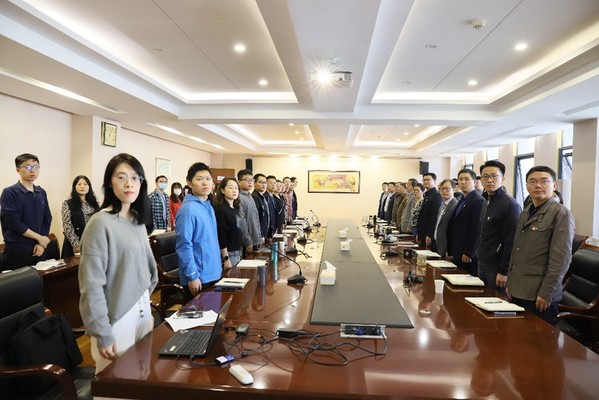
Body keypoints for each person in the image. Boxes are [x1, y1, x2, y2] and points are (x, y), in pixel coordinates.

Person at [78, 153, 158, 374]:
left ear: (141, 183)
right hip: (117, 317)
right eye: (121, 177)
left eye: (134, 177)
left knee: (142, 377)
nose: (129, 183)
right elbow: (91, 284)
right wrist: (102, 332)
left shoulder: (137, 221)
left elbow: (145, 268)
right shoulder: (100, 223)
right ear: (109, 183)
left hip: (142, 311)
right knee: (118, 382)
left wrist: (146, 307)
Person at [506, 166, 574, 325]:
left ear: (554, 185)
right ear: (527, 186)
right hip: (518, 289)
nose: (538, 185)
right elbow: (517, 250)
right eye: (532, 181)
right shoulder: (526, 212)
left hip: (539, 293)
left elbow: (561, 259)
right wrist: (510, 283)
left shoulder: (560, 213)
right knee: (516, 335)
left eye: (544, 181)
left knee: (538, 339)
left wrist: (547, 292)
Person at [176, 162, 223, 301]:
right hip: (199, 277)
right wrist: (192, 275)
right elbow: (184, 244)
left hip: (213, 272)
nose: (205, 183)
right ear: (189, 183)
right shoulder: (188, 209)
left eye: (208, 179)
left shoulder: (208, 206)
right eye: (199, 179)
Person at [0, 153, 52, 269]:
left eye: (36, 167)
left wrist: (40, 243)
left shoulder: (41, 192)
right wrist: (39, 238)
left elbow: (47, 218)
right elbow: (13, 222)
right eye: (27, 167)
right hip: (18, 250)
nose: (32, 170)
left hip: (39, 249)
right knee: (17, 281)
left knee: (43, 280)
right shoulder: (10, 192)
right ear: (18, 170)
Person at [478, 161, 522, 289]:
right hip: (483, 262)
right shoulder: (486, 201)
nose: (489, 180)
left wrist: (504, 271)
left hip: (497, 267)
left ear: (502, 179)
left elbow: (512, 241)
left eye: (494, 176)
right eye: (485, 176)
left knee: (496, 299)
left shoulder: (509, 205)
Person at [447, 169, 485, 276]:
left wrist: (469, 252)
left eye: (467, 179)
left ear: (474, 182)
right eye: (460, 179)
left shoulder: (478, 201)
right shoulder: (462, 198)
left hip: (467, 253)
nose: (463, 182)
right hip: (457, 248)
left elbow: (476, 229)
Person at [60, 175, 100, 258]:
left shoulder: (94, 204)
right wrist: (76, 245)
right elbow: (67, 226)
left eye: (85, 184)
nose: (82, 186)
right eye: (79, 184)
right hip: (74, 244)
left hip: (92, 243)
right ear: (74, 187)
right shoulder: (67, 204)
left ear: (89, 187)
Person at [213, 178, 244, 270]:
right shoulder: (221, 210)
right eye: (230, 188)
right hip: (229, 253)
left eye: (236, 188)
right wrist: (226, 258)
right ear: (222, 190)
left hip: (238, 250)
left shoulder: (236, 208)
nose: (234, 190)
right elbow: (221, 235)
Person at [432, 179, 458, 258]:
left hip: (447, 247)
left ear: (454, 190)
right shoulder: (442, 205)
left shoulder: (455, 206)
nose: (444, 191)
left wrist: (450, 249)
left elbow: (454, 231)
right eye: (442, 189)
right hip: (438, 244)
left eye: (447, 189)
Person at [238, 169, 261, 252]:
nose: (250, 182)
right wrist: (247, 241)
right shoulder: (238, 198)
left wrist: (259, 236)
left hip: (255, 239)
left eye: (251, 180)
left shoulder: (250, 196)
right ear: (239, 181)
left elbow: (255, 219)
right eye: (247, 180)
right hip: (247, 243)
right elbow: (242, 222)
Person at [417, 173, 442, 247]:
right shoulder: (427, 195)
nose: (425, 182)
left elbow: (435, 216)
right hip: (423, 232)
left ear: (434, 181)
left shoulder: (436, 195)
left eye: (428, 180)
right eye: (424, 180)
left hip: (429, 234)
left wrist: (429, 234)